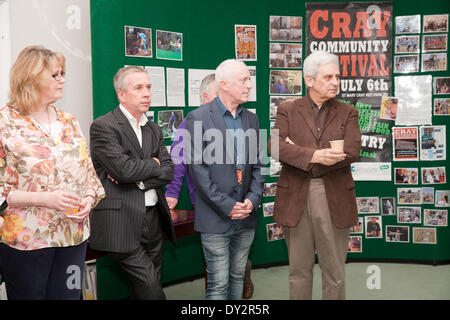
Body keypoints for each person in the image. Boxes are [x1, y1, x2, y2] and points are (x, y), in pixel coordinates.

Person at [0, 45, 105, 300]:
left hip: (73, 235)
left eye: (63, 73)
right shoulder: (5, 123)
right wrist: (45, 199)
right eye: (55, 75)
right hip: (28, 239)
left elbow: (89, 174)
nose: (63, 80)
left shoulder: (68, 121)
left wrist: (90, 199)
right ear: (32, 78)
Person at [269, 50, 361, 300]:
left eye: (337, 76)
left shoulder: (348, 112)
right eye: (328, 77)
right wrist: (314, 155)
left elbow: (351, 151)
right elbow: (275, 146)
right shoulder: (287, 109)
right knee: (298, 271)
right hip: (296, 197)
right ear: (309, 80)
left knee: (335, 272)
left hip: (334, 196)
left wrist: (298, 154)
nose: (335, 82)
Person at [89, 66, 176, 300]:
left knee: (147, 287)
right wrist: (153, 164)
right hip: (121, 223)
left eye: (148, 87)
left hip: (153, 218)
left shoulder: (153, 127)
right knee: (151, 290)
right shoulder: (104, 126)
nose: (146, 93)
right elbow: (124, 170)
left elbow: (168, 170)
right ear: (121, 94)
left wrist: (140, 179)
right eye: (138, 88)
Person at [165, 73, 255, 299]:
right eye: (218, 94)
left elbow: (255, 163)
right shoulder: (192, 121)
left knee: (234, 268)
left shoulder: (244, 119)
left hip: (243, 207)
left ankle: (244, 272)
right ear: (206, 97)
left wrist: (251, 199)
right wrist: (172, 193)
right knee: (217, 275)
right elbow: (178, 159)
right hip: (209, 204)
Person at [186, 59, 265, 300]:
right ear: (223, 84)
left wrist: (252, 199)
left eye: (248, 79)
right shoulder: (196, 118)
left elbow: (260, 166)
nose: (249, 85)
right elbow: (198, 172)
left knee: (238, 279)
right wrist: (228, 206)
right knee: (218, 285)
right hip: (215, 217)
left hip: (247, 217)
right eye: (243, 80)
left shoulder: (252, 119)